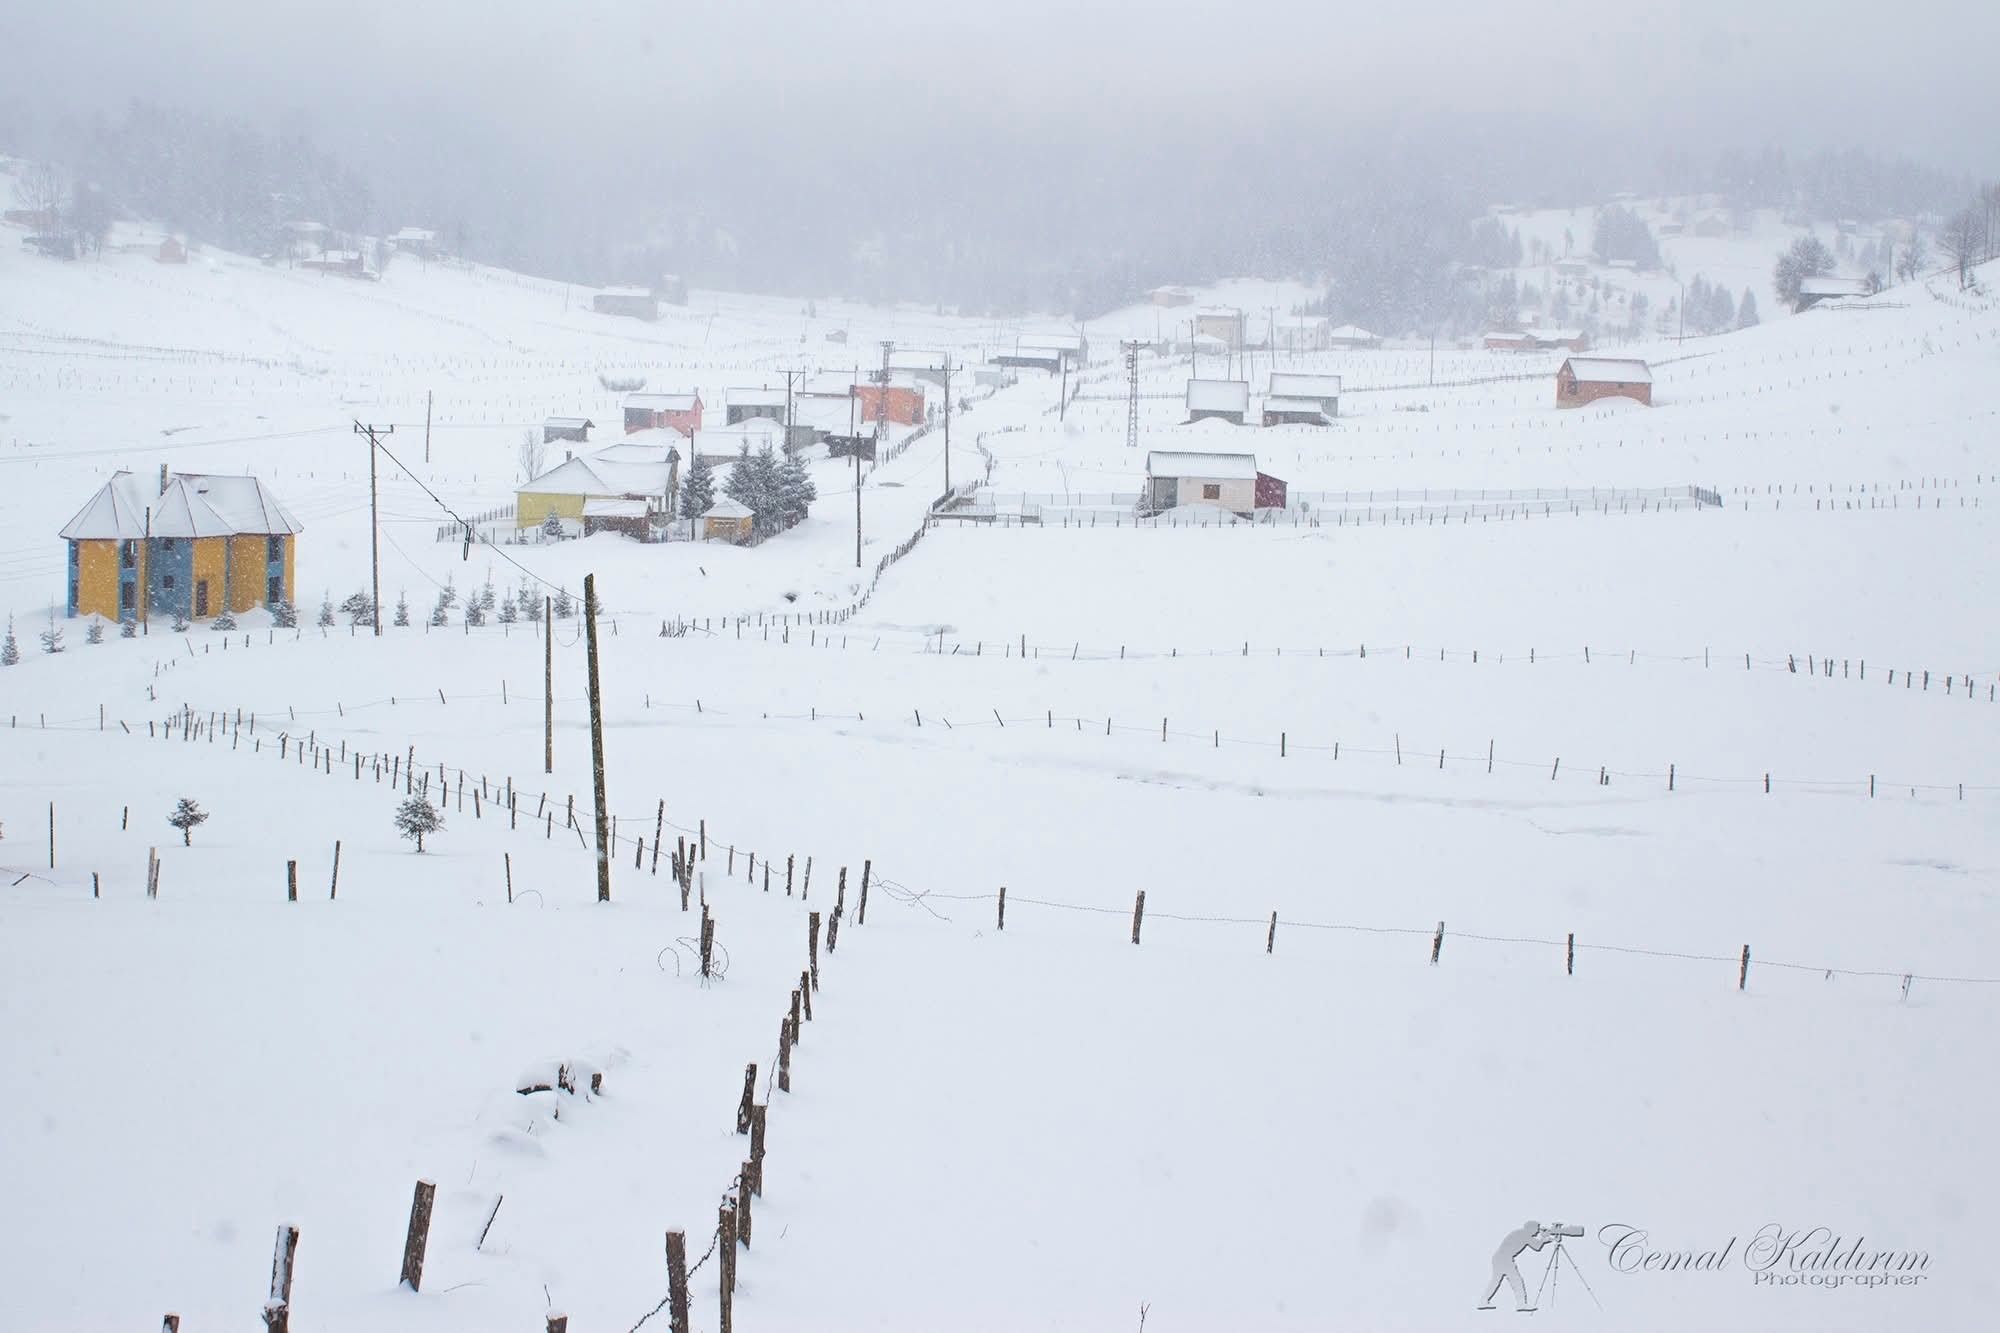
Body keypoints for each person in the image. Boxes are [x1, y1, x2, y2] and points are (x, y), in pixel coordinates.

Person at [1479, 1220, 1551, 1311]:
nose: (1537, 1232)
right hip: (1505, 1259)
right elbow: (1537, 1246)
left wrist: (1543, 1239)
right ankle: (1521, 1304)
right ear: (1531, 1228)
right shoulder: (1525, 1235)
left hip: (1500, 1258)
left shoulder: (1520, 1232)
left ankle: (1483, 1301)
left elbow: (1535, 1244)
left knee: (1495, 1281)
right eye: (1536, 1229)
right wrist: (1544, 1238)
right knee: (1516, 1281)